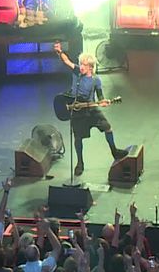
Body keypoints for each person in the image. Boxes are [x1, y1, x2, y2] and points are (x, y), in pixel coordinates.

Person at [52, 43, 127, 176]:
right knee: (78, 137)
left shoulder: (96, 80)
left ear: (91, 67)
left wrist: (103, 102)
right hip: (77, 111)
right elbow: (66, 61)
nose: (81, 66)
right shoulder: (77, 73)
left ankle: (114, 151)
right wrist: (59, 52)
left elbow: (100, 96)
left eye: (84, 65)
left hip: (91, 110)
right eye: (81, 64)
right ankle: (80, 163)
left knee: (107, 127)